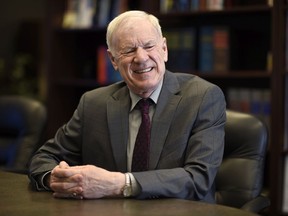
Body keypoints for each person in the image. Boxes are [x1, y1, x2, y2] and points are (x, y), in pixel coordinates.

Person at [28, 10, 226, 203]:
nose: (140, 58)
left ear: (164, 49)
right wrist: (56, 179)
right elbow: (45, 157)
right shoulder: (94, 103)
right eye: (129, 50)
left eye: (149, 46)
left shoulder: (203, 97)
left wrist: (121, 183)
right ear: (113, 60)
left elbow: (199, 178)